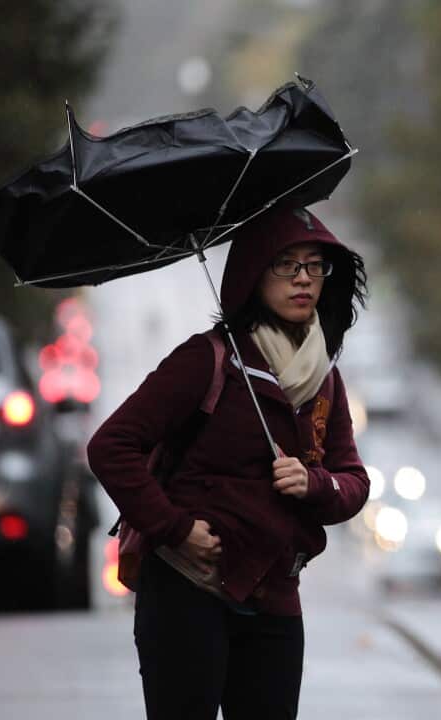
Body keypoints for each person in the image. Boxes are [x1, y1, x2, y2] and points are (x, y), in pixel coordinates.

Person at [87, 206, 371, 719]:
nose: (303, 278)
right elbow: (112, 446)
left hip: (276, 595)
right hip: (185, 591)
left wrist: (315, 485)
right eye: (286, 264)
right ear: (252, 274)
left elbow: (353, 481)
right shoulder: (207, 360)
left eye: (314, 265)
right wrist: (174, 528)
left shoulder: (325, 380)